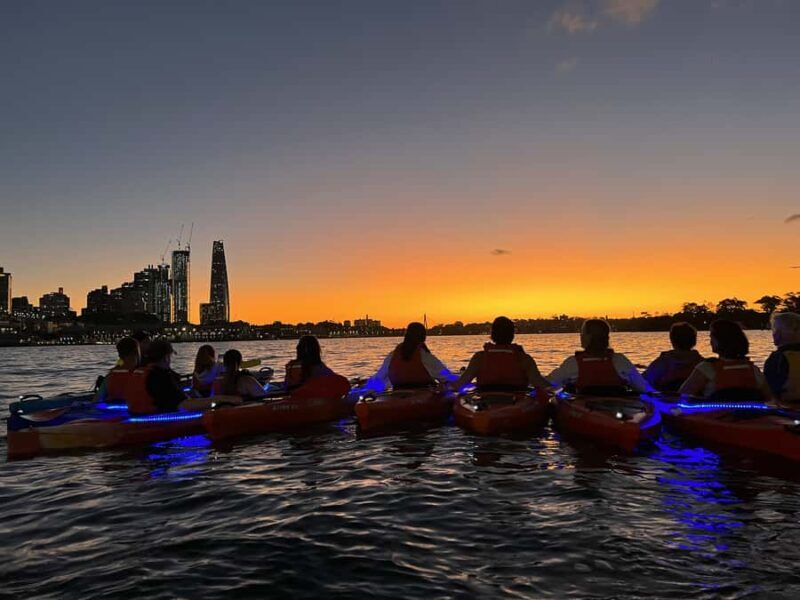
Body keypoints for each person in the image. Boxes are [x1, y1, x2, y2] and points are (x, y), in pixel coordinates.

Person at [679, 319, 772, 402]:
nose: (710, 342)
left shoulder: (706, 368)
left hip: (716, 417)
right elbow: (770, 399)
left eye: (712, 337)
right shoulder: (754, 370)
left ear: (719, 341)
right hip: (751, 418)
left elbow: (682, 396)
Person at [548, 319, 651, 393]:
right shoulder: (620, 360)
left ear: (588, 337)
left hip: (586, 407)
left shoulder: (572, 363)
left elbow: (550, 382)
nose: (581, 336)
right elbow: (643, 387)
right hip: (617, 408)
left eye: (583, 333)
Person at [453, 316, 551, 392]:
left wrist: (447, 387)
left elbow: (461, 383)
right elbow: (539, 383)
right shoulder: (524, 359)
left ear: (492, 335)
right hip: (516, 402)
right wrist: (557, 389)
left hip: (485, 402)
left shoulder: (479, 358)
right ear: (512, 335)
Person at [366, 322, 456, 391]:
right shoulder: (425, 356)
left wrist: (367, 385)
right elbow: (445, 376)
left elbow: (380, 377)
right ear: (423, 337)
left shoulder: (393, 355)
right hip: (423, 395)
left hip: (397, 394)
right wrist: (460, 380)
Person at [125, 340, 190, 414]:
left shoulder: (138, 372)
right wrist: (206, 402)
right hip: (157, 419)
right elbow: (183, 404)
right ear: (166, 357)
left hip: (135, 414)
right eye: (170, 356)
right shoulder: (160, 376)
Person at [643, 322, 704, 392]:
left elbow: (643, 380)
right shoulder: (703, 364)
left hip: (665, 400)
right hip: (693, 400)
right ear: (694, 341)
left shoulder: (662, 362)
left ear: (672, 341)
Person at [764, 312, 800, 404]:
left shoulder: (777, 359)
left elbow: (768, 388)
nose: (775, 334)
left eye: (776, 330)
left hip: (787, 408)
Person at [95, 336, 140, 403]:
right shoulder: (139, 376)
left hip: (110, 410)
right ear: (136, 353)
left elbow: (96, 401)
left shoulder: (110, 377)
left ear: (120, 355)